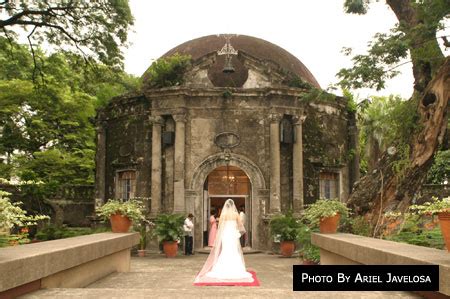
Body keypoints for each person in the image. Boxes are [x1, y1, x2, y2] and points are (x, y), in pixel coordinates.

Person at [194, 199, 253, 283]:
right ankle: (234, 268)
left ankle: (222, 268)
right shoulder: (236, 214)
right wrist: (236, 229)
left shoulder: (224, 214)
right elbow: (240, 225)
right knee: (233, 250)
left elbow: (220, 225)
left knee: (225, 249)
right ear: (233, 206)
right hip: (232, 234)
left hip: (225, 234)